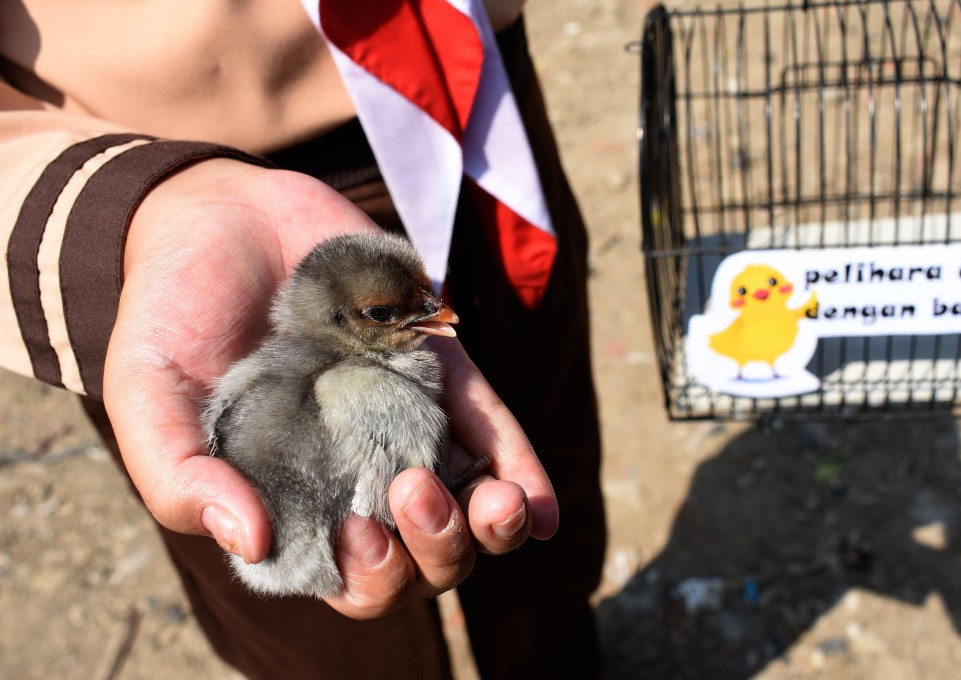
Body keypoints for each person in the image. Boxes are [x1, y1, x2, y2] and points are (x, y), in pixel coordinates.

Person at [0, 1, 606, 677]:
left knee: (545, 520)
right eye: (390, 317)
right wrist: (125, 205)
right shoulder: (289, 372)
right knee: (330, 644)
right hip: (157, 196)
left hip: (473, 99)